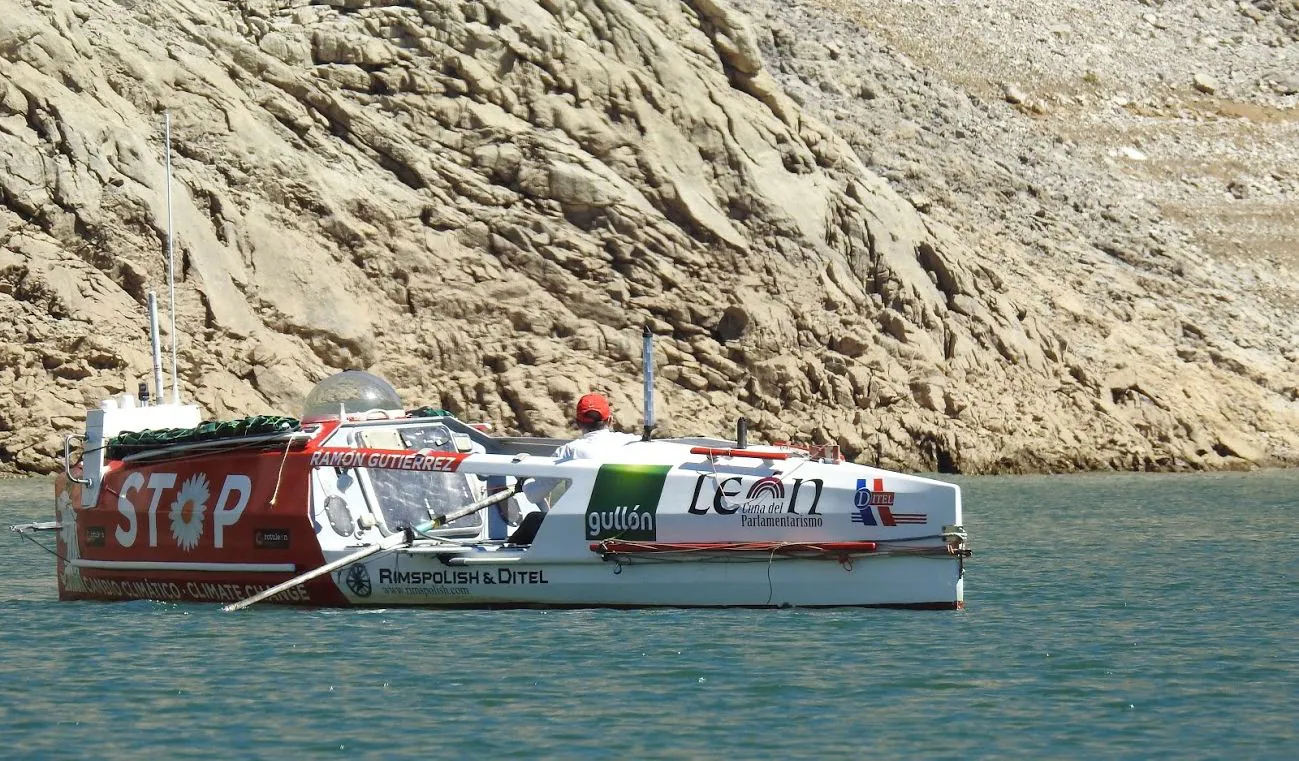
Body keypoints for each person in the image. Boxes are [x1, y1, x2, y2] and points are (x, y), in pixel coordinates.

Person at [520, 393, 640, 511]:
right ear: (610, 420)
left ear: (578, 423)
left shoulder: (569, 451)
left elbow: (534, 495)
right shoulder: (633, 442)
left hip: (583, 526)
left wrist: (524, 479)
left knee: (532, 520)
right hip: (629, 520)